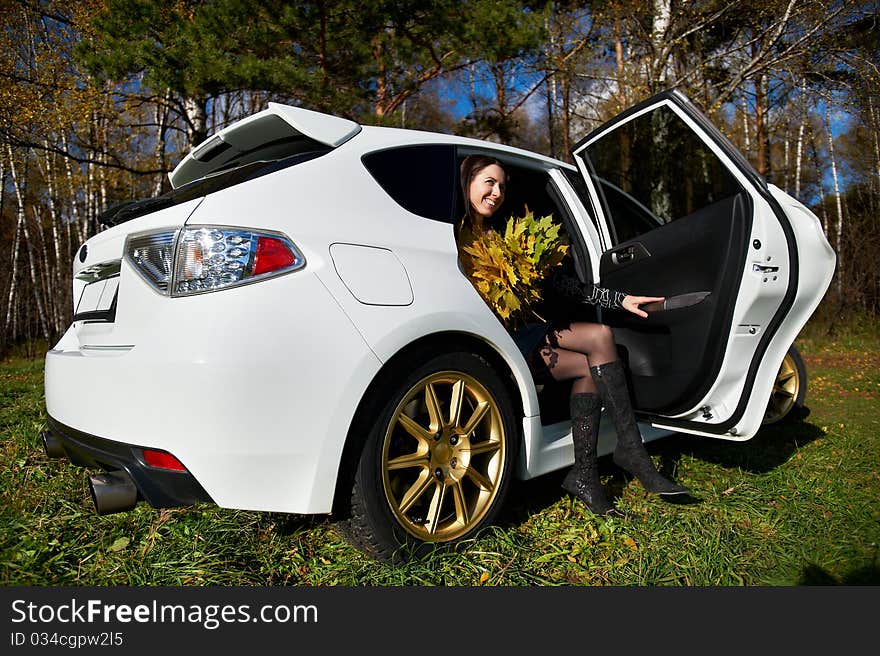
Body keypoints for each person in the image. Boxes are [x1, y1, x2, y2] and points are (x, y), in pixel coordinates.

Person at [457, 154, 690, 516]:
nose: (496, 192)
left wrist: (621, 299)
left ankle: (595, 468)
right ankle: (625, 455)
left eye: (501, 185)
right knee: (594, 344)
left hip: (527, 335)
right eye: (489, 182)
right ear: (468, 181)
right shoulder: (453, 237)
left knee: (598, 340)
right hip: (497, 345)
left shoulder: (506, 237)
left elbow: (563, 286)